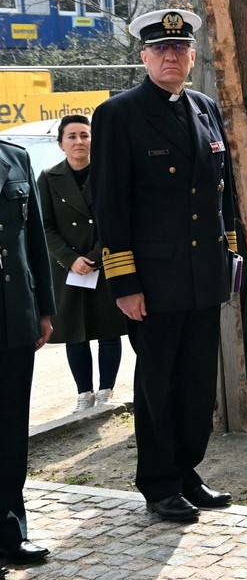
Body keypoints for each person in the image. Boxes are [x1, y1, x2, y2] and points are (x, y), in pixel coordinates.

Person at [91, 8, 238, 523]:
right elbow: (110, 205)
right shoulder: (119, 114)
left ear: (193, 56)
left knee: (197, 381)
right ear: (144, 56)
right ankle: (158, 482)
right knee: (159, 381)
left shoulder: (204, 108)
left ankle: (187, 471)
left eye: (179, 48)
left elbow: (223, 193)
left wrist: (230, 255)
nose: (170, 56)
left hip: (203, 273)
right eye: (160, 48)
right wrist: (124, 281)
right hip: (153, 280)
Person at [38, 115, 127, 414]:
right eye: (72, 136)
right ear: (61, 143)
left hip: (103, 262)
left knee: (108, 330)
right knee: (74, 332)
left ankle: (105, 392)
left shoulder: (108, 174)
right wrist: (70, 259)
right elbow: (44, 226)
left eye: (85, 135)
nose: (79, 142)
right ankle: (83, 394)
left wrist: (97, 255)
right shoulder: (48, 177)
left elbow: (118, 218)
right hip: (68, 268)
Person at [0, 139, 56, 572]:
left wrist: (44, 309)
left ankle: (10, 533)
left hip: (13, 316)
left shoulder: (14, 156)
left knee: (11, 430)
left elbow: (34, 237)